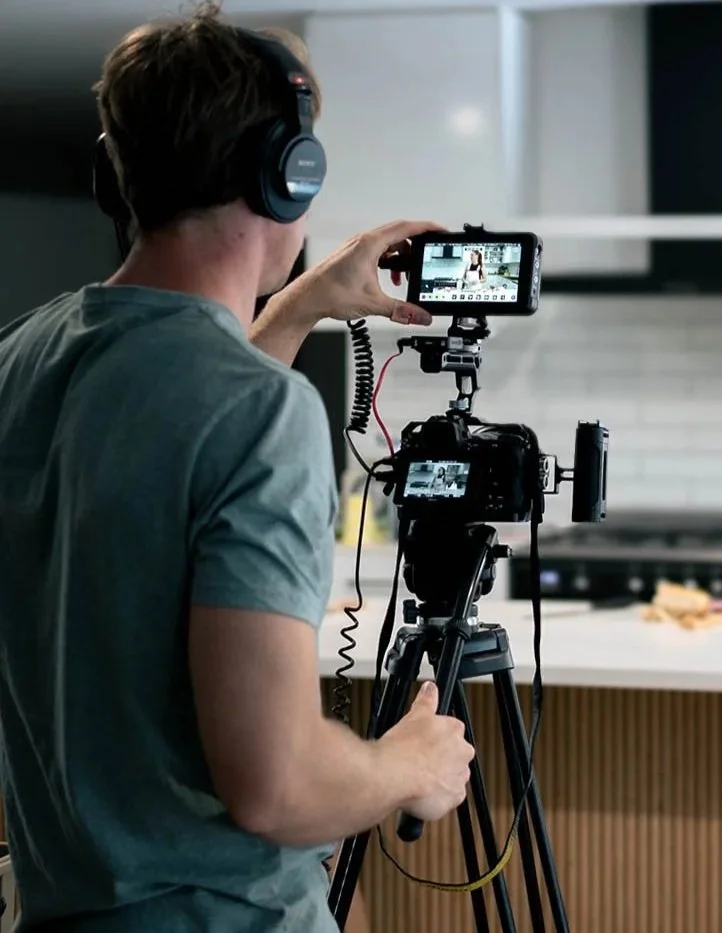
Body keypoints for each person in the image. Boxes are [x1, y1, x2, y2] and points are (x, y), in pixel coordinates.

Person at [0, 5, 475, 931]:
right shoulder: (261, 414)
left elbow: (172, 422)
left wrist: (296, 303)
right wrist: (408, 763)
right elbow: (278, 786)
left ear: (117, 170)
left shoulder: (20, 359)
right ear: (289, 176)